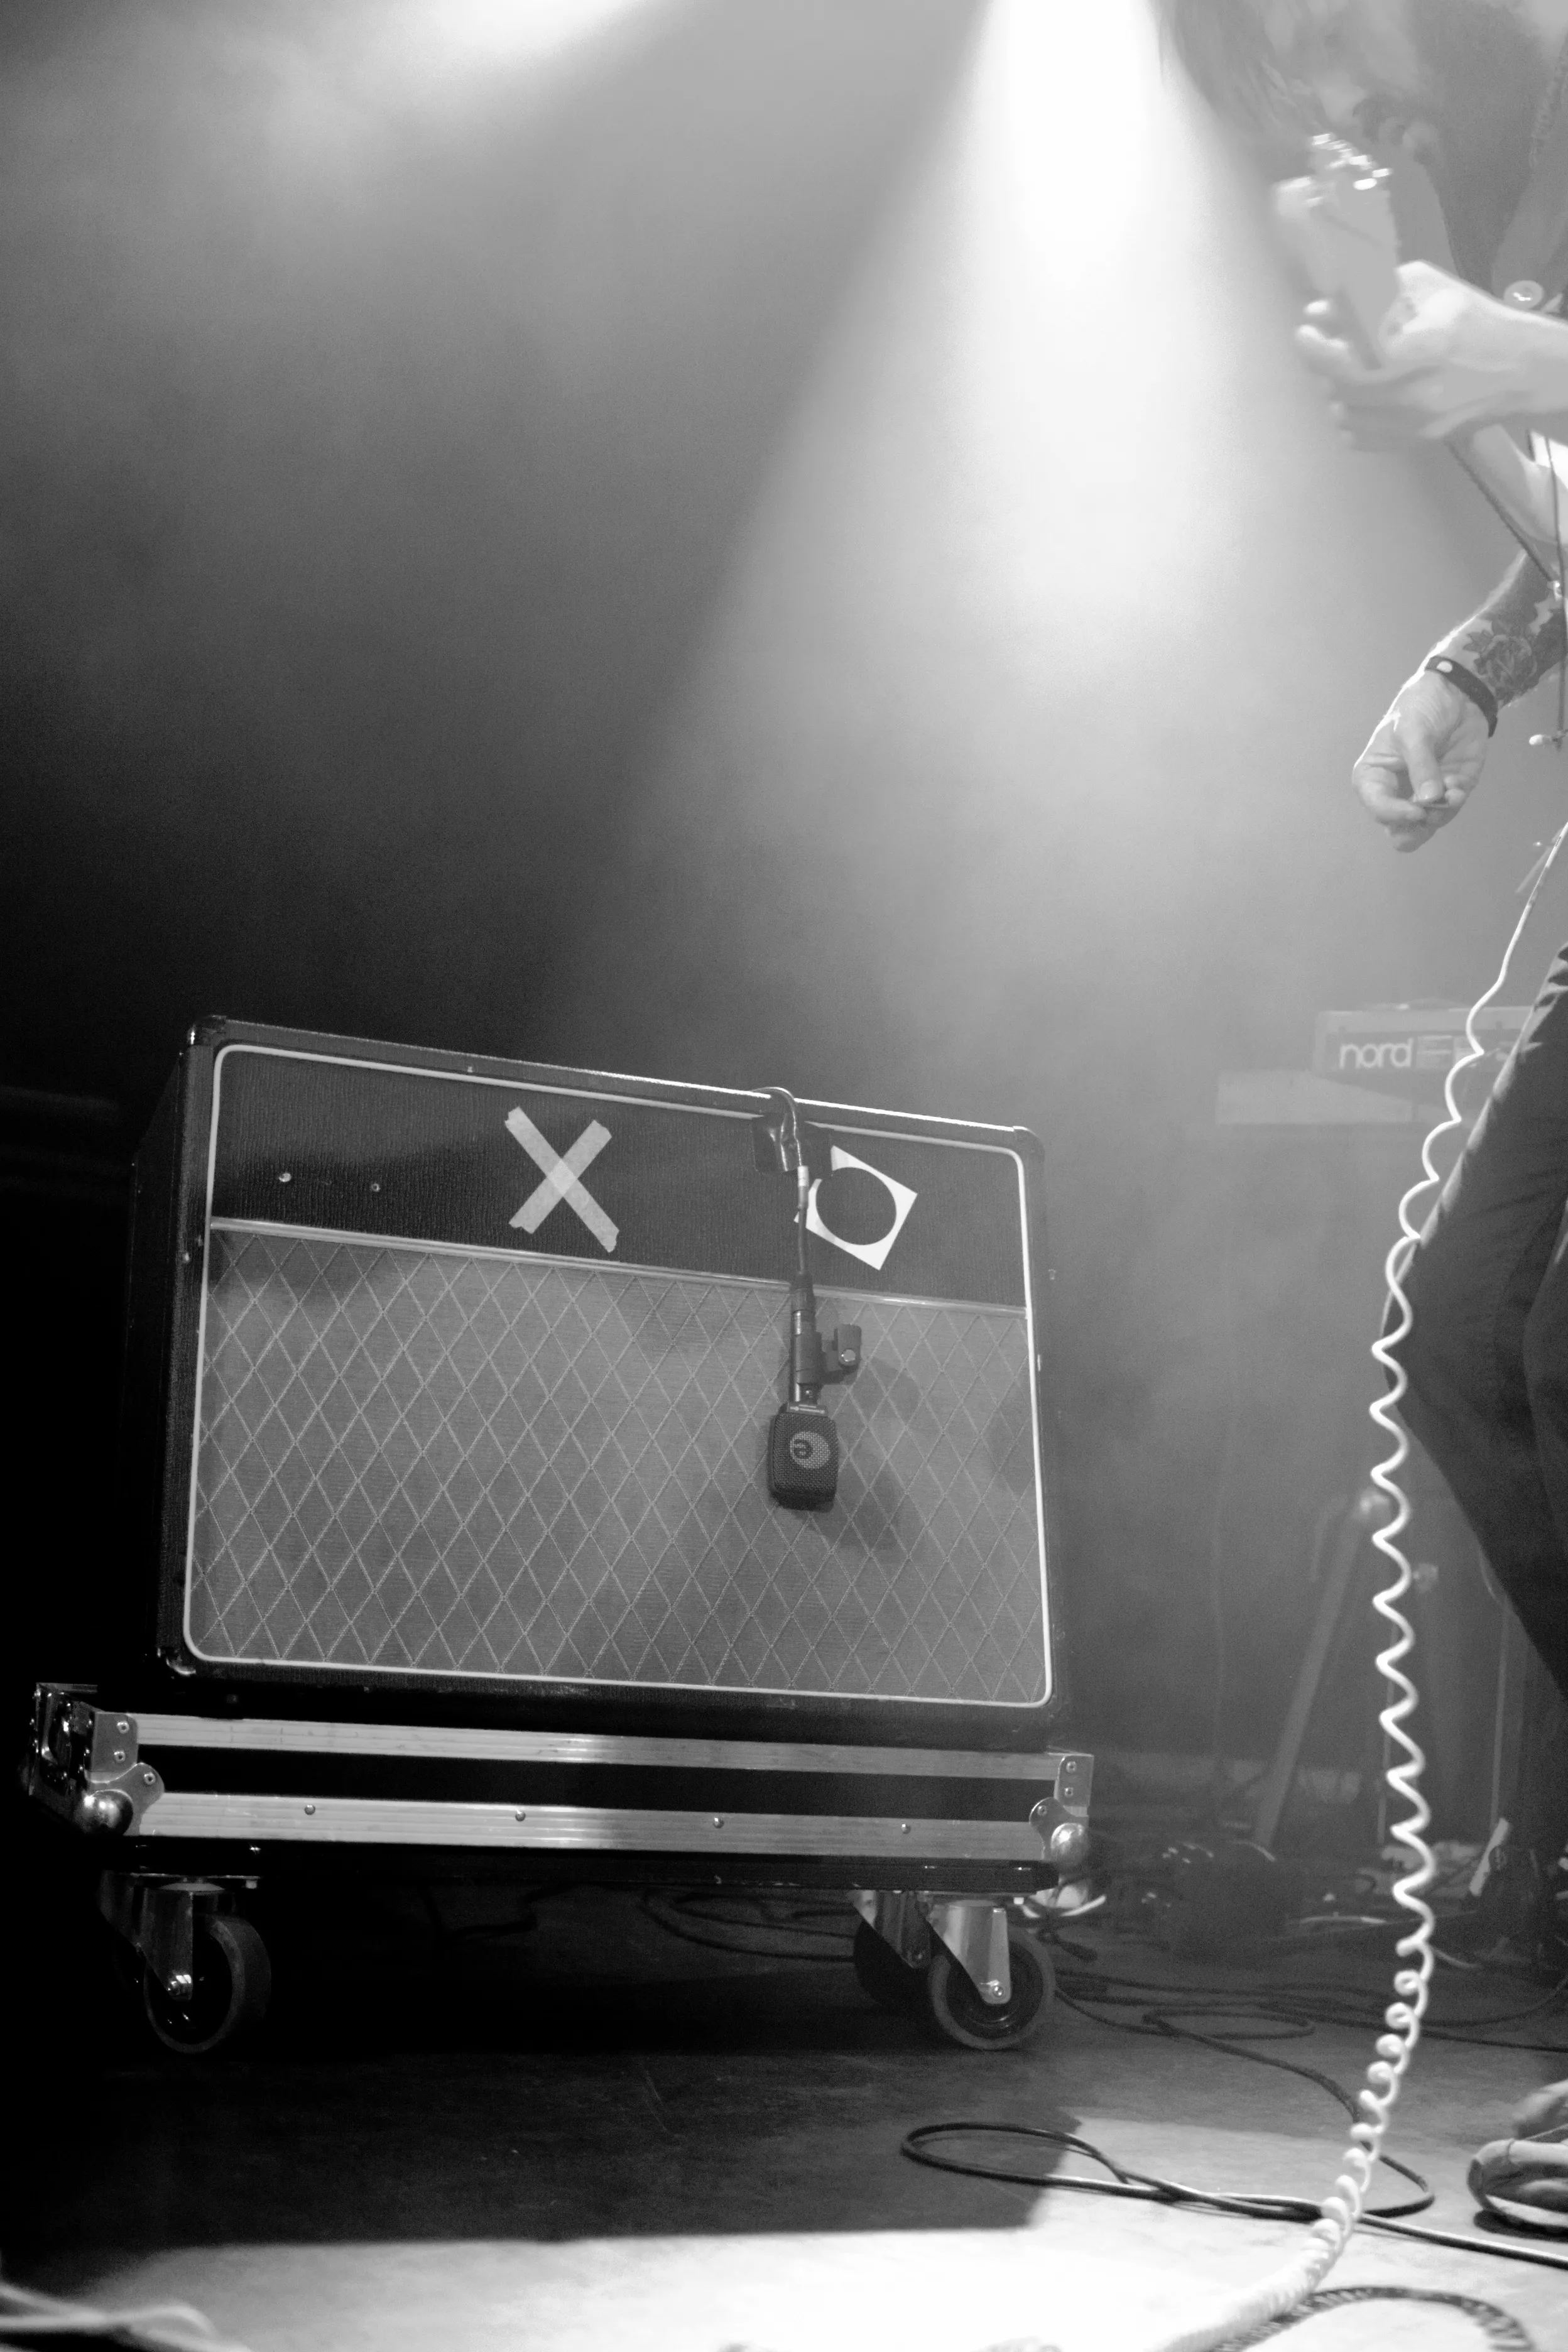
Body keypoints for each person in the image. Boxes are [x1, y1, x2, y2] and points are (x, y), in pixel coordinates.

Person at [1157, 0, 1568, 2145]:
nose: (1328, 99)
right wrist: (1473, 670)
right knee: (1456, 1335)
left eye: (1318, 35)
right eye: (1280, 77)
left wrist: (1509, 366)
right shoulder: (1530, 157)